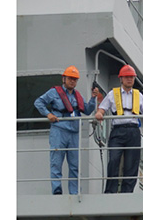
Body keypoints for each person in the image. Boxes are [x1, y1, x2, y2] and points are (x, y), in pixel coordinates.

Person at [33, 66, 101, 194]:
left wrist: (93, 98)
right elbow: (38, 102)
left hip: (74, 132)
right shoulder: (54, 92)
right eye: (70, 78)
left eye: (75, 79)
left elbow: (87, 110)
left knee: (75, 165)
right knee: (56, 163)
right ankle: (57, 191)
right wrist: (48, 114)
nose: (72, 81)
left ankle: (74, 193)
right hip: (59, 130)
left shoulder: (78, 95)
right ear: (64, 79)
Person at [94, 65, 143, 193]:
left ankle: (127, 191)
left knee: (131, 163)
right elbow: (102, 109)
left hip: (133, 131)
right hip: (118, 131)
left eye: (131, 77)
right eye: (127, 77)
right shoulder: (113, 94)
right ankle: (110, 191)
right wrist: (99, 114)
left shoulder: (138, 95)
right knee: (114, 160)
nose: (129, 79)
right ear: (121, 79)